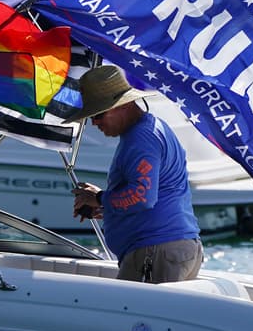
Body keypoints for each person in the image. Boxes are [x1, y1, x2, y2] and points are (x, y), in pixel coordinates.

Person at [69, 65, 203, 284]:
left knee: (138, 319)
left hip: (156, 252)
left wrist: (100, 198)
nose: (95, 123)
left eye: (99, 114)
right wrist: (106, 206)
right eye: (91, 116)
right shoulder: (151, 129)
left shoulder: (141, 139)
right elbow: (151, 195)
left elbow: (142, 197)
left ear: (124, 105)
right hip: (172, 249)